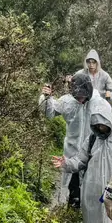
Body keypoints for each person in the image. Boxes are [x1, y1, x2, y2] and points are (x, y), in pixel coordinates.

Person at [52, 75, 112, 223]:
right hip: (90, 193)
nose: (100, 127)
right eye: (97, 124)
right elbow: (79, 161)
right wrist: (65, 164)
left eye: (103, 124)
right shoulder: (91, 140)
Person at [38, 75, 93, 208]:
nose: (81, 99)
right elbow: (49, 112)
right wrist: (46, 97)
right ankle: (70, 212)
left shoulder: (95, 102)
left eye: (83, 96)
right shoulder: (67, 101)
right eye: (78, 96)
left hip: (92, 153)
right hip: (72, 152)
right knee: (72, 187)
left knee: (89, 185)